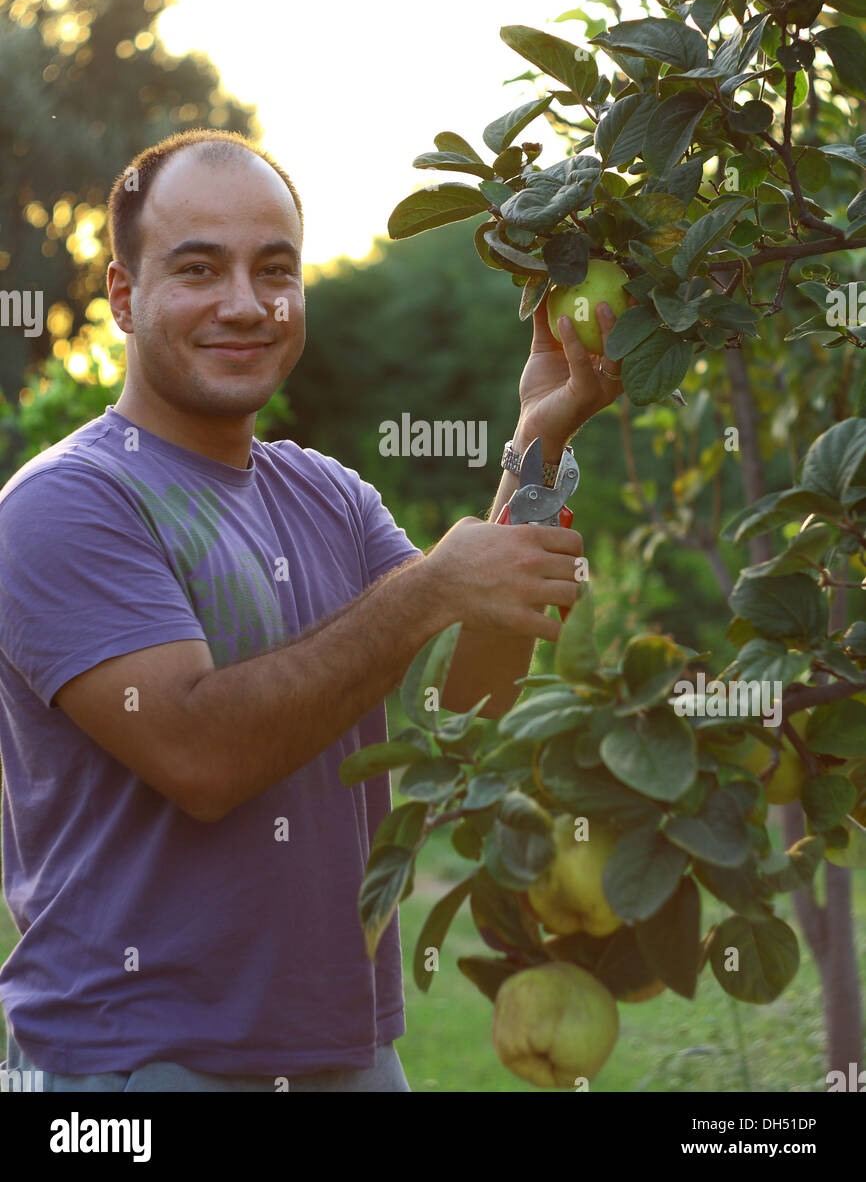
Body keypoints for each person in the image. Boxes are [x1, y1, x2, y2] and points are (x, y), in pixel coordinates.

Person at [0, 129, 626, 1092]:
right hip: (140, 1067)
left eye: (276, 269)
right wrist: (429, 586)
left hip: (351, 1055)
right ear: (123, 296)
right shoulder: (63, 504)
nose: (247, 303)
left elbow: (465, 708)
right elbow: (200, 756)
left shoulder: (328, 493)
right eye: (200, 268)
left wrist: (537, 445)